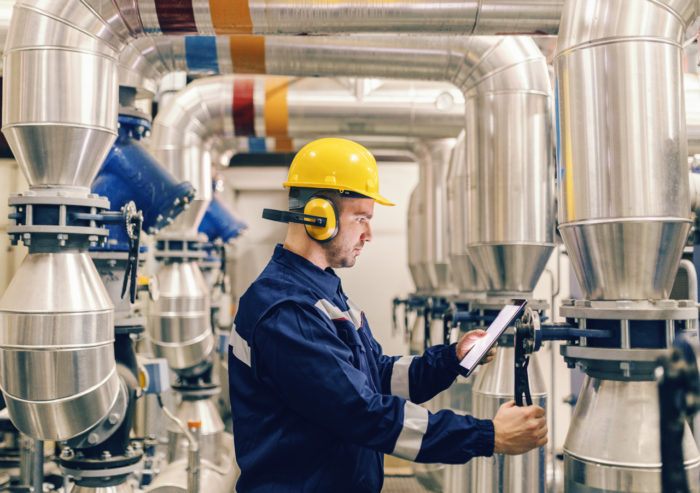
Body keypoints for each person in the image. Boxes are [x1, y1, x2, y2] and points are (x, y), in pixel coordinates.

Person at [228, 138, 547, 492]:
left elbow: (377, 375)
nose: (368, 234)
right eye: (361, 218)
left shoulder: (322, 291)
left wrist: (451, 358)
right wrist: (490, 435)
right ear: (320, 217)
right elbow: (362, 413)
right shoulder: (287, 309)